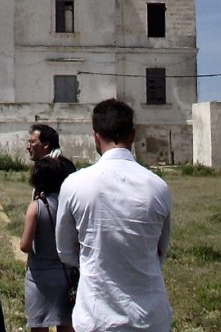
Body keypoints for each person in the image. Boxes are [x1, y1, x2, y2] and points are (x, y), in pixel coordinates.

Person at [55, 99, 172, 332]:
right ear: (133, 134)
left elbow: (65, 251)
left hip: (96, 315)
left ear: (95, 136)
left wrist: (94, 258)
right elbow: (160, 251)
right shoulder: (158, 186)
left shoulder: (74, 184)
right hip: (150, 317)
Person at [19, 157, 74, 332]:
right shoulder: (69, 205)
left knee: (39, 326)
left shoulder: (36, 207)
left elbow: (25, 245)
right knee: (67, 325)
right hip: (66, 275)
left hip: (39, 278)